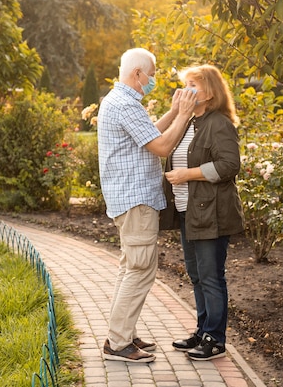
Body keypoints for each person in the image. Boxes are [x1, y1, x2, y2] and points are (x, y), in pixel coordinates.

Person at [97, 48, 197, 363]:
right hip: (136, 201)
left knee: (131, 268)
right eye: (151, 74)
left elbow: (149, 131)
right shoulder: (125, 104)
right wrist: (184, 114)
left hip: (128, 200)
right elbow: (163, 145)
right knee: (140, 270)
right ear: (138, 74)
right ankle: (118, 343)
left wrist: (171, 111)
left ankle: (122, 333)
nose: (153, 79)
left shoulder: (120, 101)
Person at [161, 64, 245, 361]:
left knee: (211, 277)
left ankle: (215, 339)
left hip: (212, 214)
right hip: (188, 212)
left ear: (210, 92)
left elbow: (229, 166)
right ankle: (202, 330)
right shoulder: (189, 123)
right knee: (196, 276)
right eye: (186, 84)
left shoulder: (219, 123)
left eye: (193, 84)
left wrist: (188, 175)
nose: (186, 90)